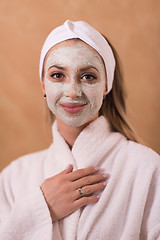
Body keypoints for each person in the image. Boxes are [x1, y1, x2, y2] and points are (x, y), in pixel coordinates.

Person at [0, 20, 159, 240]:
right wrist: (41, 207)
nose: (73, 91)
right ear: (44, 85)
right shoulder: (13, 178)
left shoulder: (147, 168)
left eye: (88, 76)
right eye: (57, 75)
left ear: (106, 86)